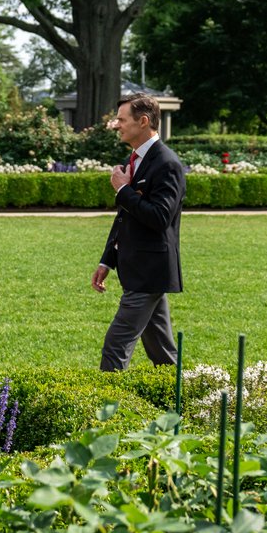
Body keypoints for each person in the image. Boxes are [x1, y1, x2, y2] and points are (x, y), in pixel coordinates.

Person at [92, 92, 185, 371]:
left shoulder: (167, 163)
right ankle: (183, 403)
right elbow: (126, 217)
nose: (116, 124)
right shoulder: (134, 158)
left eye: (121, 119)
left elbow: (159, 217)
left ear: (143, 121)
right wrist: (107, 260)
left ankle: (107, 413)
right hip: (141, 270)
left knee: (115, 347)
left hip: (149, 271)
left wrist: (123, 189)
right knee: (163, 354)